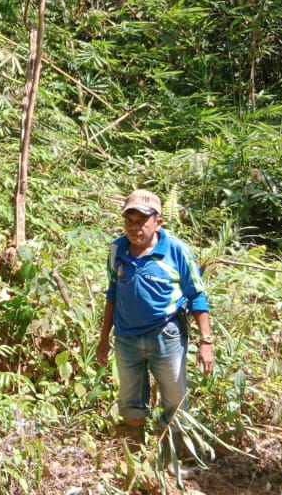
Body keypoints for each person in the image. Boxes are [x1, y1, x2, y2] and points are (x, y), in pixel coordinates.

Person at [95, 189, 214, 447]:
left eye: (142, 220)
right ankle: (135, 457)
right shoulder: (118, 250)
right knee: (130, 399)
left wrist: (206, 342)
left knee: (175, 399)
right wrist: (103, 338)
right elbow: (113, 293)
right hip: (126, 338)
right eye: (129, 220)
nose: (134, 227)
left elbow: (197, 296)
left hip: (167, 335)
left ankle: (176, 457)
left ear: (158, 222)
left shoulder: (177, 251)